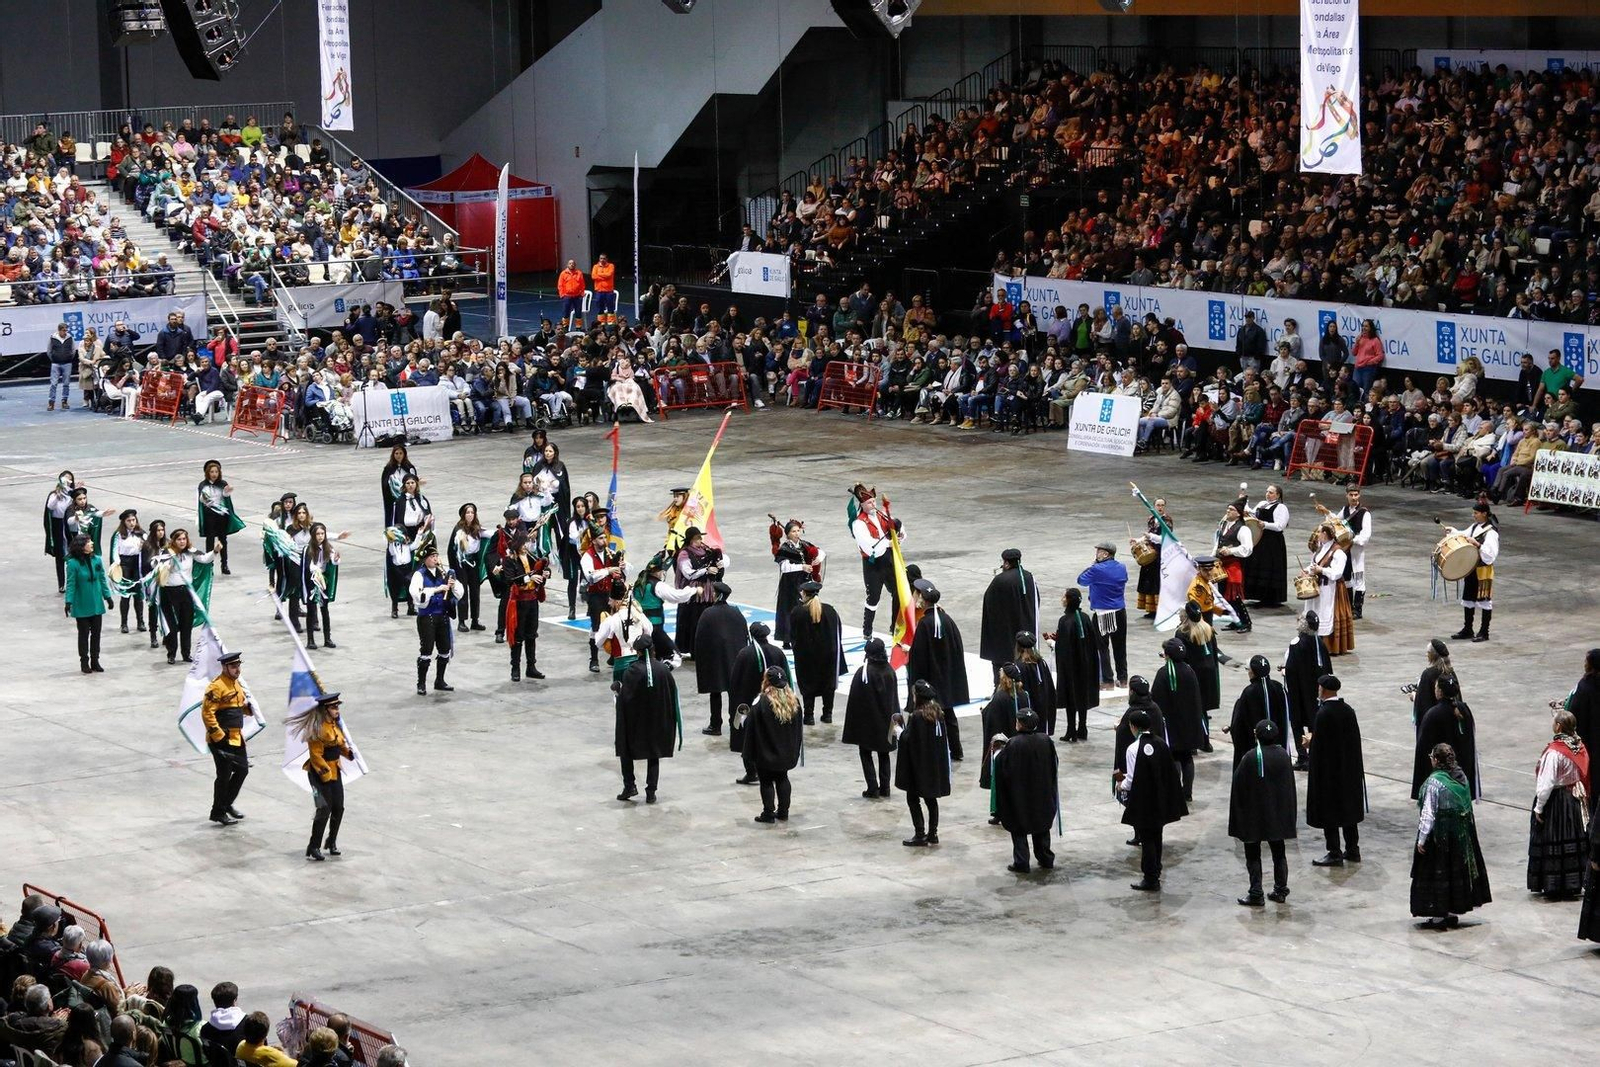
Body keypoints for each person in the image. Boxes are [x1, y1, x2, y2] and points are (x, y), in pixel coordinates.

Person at [1411, 742, 1491, 930]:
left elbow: (1428, 814)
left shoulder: (1434, 783)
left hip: (1440, 839)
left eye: (1432, 757)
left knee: (1439, 875)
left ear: (1437, 760)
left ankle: (1439, 916)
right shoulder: (1461, 778)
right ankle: (1453, 912)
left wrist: (1422, 839)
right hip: (1461, 838)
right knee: (1456, 874)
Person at [1116, 707, 1187, 891]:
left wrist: (1120, 785)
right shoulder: (1161, 743)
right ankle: (1157, 869)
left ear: (1133, 727)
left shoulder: (1133, 748)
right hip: (1160, 799)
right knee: (1157, 836)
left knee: (1147, 839)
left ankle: (1150, 877)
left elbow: (1130, 780)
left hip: (1143, 801)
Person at [1229, 720, 1298, 906]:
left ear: (1256, 736)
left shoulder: (1250, 757)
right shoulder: (1284, 756)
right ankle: (1281, 890)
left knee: (1253, 854)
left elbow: (1238, 786)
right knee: (1279, 852)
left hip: (1254, 815)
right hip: (1277, 814)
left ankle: (1256, 892)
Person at [904, 578, 968, 760]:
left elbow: (920, 655)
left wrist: (911, 652)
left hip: (932, 676)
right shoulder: (947, 620)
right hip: (947, 675)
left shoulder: (925, 624)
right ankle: (956, 750)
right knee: (948, 714)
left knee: (928, 715)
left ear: (922, 599)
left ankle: (922, 748)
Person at [1304, 674, 1365, 867]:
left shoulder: (1323, 714)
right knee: (1348, 812)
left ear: (1324, 689)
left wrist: (1309, 744)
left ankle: (1334, 852)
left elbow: (1320, 748)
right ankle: (1353, 849)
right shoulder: (1348, 710)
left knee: (1329, 812)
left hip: (1330, 774)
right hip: (1349, 771)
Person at [1529, 710, 1590, 899]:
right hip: (1573, 800)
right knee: (1574, 840)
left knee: (1555, 842)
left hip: (1557, 803)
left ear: (1558, 727)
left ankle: (1555, 884)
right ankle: (1574, 882)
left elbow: (1546, 783)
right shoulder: (1578, 746)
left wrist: (1539, 807)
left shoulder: (1555, 752)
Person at [994, 705, 1060, 873]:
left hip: (1020, 795)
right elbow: (1054, 765)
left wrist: (997, 752)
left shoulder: (1013, 744)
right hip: (1042, 793)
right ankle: (1046, 858)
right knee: (1042, 827)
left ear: (1020, 724)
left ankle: (1022, 862)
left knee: (1019, 828)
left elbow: (1003, 769)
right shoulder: (1046, 740)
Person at [287, 691, 352, 861]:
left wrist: (347, 753)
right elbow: (316, 755)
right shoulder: (317, 729)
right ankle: (313, 846)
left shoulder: (334, 725)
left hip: (334, 771)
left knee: (339, 807)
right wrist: (326, 775)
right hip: (319, 774)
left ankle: (331, 841)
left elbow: (338, 744)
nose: (337, 710)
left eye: (337, 706)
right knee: (324, 809)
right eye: (333, 707)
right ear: (325, 710)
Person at [615, 634, 679, 804]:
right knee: (654, 753)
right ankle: (651, 791)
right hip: (657, 721)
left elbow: (626, 698)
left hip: (636, 722)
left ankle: (629, 785)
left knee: (625, 749)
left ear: (637, 652)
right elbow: (672, 694)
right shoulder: (664, 670)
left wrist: (617, 690)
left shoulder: (632, 671)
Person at [896, 679, 952, 847]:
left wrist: (899, 731)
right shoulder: (938, 714)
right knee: (931, 800)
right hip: (934, 764)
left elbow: (908, 739)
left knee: (913, 798)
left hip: (919, 766)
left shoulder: (917, 716)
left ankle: (920, 833)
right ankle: (933, 833)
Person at [202, 650, 254, 826]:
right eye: (233, 666)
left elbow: (236, 706)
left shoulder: (236, 684)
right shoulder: (216, 686)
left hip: (236, 736)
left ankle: (226, 804)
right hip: (221, 738)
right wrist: (218, 735)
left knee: (242, 770)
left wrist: (248, 709)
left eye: (238, 665)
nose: (237, 669)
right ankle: (218, 812)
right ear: (225, 667)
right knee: (224, 775)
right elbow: (207, 713)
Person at [745, 666, 803, 823]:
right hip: (786, 753)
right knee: (783, 778)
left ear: (767, 681)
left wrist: (749, 752)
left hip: (766, 752)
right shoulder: (794, 701)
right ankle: (784, 812)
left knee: (766, 781)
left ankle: (768, 813)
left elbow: (751, 726)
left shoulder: (762, 701)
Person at [841, 638, 897, 798]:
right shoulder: (890, 671)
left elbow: (855, 700)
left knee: (865, 752)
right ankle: (885, 788)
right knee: (884, 753)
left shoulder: (864, 672)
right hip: (887, 722)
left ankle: (872, 786)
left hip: (868, 722)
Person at [1412, 671, 1480, 800]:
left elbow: (1422, 749)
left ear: (1440, 692)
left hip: (1441, 781)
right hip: (1460, 777)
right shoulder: (1464, 709)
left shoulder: (1432, 715)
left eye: (1436, 687)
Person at [848, 484, 903, 639]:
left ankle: (895, 626)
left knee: (898, 592)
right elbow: (869, 546)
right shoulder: (858, 524)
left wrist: (899, 534)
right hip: (873, 564)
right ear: (862, 505)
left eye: (874, 501)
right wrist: (888, 543)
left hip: (888, 560)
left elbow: (900, 530)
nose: (873, 505)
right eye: (869, 503)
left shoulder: (882, 515)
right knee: (873, 598)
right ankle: (867, 629)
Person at [1152, 638, 1205, 802]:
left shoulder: (1163, 673)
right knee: (1187, 757)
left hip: (1171, 724)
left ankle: (1174, 791)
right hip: (1189, 722)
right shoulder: (1190, 671)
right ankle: (1187, 792)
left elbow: (1156, 699)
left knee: (1173, 757)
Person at [408, 542, 463, 695]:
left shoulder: (444, 573)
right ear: (425, 559)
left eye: (436, 556)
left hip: (443, 616)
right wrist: (436, 589)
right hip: (428, 617)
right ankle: (421, 683)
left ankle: (440, 680)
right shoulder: (419, 574)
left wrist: (452, 586)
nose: (435, 559)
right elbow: (416, 595)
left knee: (445, 649)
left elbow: (460, 592)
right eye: (432, 556)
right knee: (426, 650)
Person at [694, 582, 749, 735]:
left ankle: (715, 725)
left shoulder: (707, 614)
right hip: (735, 659)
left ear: (715, 594)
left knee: (715, 693)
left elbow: (699, 639)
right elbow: (744, 635)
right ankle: (736, 724)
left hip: (715, 661)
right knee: (735, 694)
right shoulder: (736, 612)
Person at [788, 581, 846, 724]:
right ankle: (828, 714)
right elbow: (838, 633)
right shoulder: (831, 611)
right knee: (828, 685)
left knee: (808, 685)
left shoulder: (798, 612)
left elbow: (793, 637)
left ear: (804, 593)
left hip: (806, 657)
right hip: (828, 656)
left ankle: (809, 716)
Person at [156, 529, 216, 663]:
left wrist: (215, 551)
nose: (182, 541)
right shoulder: (167, 553)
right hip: (169, 593)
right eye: (179, 539)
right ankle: (171, 654)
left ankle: (186, 653)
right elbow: (156, 566)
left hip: (186, 592)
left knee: (186, 624)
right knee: (172, 627)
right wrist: (166, 567)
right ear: (173, 541)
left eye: (184, 539)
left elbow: (205, 559)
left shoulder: (191, 551)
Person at [498, 529, 549, 682]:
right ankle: (515, 668)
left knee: (531, 635)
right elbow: (510, 579)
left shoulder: (531, 558)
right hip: (519, 602)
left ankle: (531, 667)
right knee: (517, 636)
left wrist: (543, 574)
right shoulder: (509, 560)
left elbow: (538, 572)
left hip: (532, 600)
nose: (526, 545)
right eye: (524, 543)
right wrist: (529, 577)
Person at [979, 548, 1039, 679]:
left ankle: (1000, 687)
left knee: (1002, 662)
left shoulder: (1000, 580)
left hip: (1005, 632)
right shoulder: (1029, 577)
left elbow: (989, 603)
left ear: (1006, 563)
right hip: (1025, 628)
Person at [1226, 654, 1296, 767]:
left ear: (1252, 672)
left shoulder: (1248, 693)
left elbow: (1238, 724)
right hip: (1278, 747)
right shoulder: (1280, 689)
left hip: (1254, 751)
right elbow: (1288, 715)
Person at [1050, 587, 1099, 743]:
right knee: (1082, 695)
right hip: (1086, 665)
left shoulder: (1065, 621)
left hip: (1071, 667)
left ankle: (1071, 730)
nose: (1062, 599)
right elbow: (1092, 643)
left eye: (1064, 597)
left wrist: (1053, 643)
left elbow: (1063, 648)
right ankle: (1082, 728)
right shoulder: (1085, 618)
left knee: (1071, 697)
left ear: (1069, 600)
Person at [1077, 541, 1128, 690]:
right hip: (1119, 610)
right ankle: (1123, 679)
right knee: (1120, 646)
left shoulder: (1097, 569)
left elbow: (1081, 580)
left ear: (1106, 554)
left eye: (1099, 551)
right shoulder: (1122, 567)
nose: (1096, 553)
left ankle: (1107, 680)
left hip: (1102, 613)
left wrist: (1092, 565)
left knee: (1102, 647)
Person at [1281, 611, 1328, 769]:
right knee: (1314, 722)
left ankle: (1303, 756)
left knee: (1297, 724)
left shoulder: (1296, 643)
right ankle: (1317, 755)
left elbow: (1291, 670)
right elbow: (1327, 668)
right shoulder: (1320, 643)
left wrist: (1284, 671)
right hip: (1316, 693)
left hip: (1299, 692)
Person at [672, 526, 728, 658]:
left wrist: (719, 565)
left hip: (708, 594)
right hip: (694, 596)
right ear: (690, 540)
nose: (700, 540)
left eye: (700, 537)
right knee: (694, 622)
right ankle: (694, 650)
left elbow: (718, 561)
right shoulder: (684, 554)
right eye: (697, 538)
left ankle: (708, 647)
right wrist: (706, 570)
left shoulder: (706, 551)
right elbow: (688, 574)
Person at [769, 516, 822, 647]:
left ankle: (805, 634)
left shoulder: (804, 545)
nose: (796, 533)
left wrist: (816, 560)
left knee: (806, 607)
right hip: (790, 583)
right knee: (789, 610)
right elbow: (784, 567)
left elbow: (820, 552)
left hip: (804, 580)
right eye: (793, 531)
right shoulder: (785, 548)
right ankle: (788, 638)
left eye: (798, 531)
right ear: (787, 534)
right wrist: (802, 567)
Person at [1452, 501, 1500, 643]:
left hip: (1483, 570)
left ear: (1484, 513)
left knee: (1484, 600)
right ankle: (1468, 629)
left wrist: (1477, 544)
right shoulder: (1475, 527)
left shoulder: (1491, 533)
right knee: (1468, 599)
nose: (1474, 515)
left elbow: (1491, 555)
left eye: (1476, 513)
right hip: (1471, 568)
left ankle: (1484, 632)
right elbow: (1463, 534)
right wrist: (1452, 531)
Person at [978, 664, 1028, 800]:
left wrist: (984, 712)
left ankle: (1000, 812)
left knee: (1001, 781)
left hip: (1003, 746)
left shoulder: (1000, 697)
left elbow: (992, 719)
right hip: (1019, 743)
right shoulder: (1023, 695)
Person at [1303, 523, 1353, 655]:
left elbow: (1337, 573)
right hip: (1318, 587)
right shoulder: (1321, 548)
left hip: (1330, 589)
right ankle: (1312, 641)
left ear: (1325, 534)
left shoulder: (1338, 552)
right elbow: (1314, 564)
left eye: (1319, 532)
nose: (1316, 534)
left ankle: (1328, 646)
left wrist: (1322, 570)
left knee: (1326, 613)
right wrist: (1307, 570)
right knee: (1315, 611)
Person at [64, 535, 111, 674]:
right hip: (82, 604)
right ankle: (84, 661)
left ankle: (95, 660)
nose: (91, 543)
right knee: (83, 634)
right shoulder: (73, 563)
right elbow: (71, 583)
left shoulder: (97, 559)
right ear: (81, 546)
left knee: (96, 634)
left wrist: (107, 596)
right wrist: (68, 601)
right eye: (88, 542)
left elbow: (102, 579)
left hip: (96, 604)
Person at [1212, 500, 1255, 632]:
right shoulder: (1224, 524)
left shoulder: (1243, 528)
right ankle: (1235, 621)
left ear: (1238, 514)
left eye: (1231, 509)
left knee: (1234, 596)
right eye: (1228, 508)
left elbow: (1248, 548)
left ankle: (1246, 623)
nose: (1228, 511)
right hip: (1221, 564)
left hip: (1233, 566)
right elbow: (1217, 543)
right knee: (1225, 595)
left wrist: (1231, 551)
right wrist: (1212, 557)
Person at [1243, 484, 1289, 607]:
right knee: (1257, 565)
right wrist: (1244, 503)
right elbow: (1253, 514)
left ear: (1278, 495)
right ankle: (1258, 594)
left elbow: (1280, 525)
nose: (1268, 494)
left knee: (1269, 566)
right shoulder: (1262, 503)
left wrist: (1265, 524)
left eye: (1271, 492)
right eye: (1267, 491)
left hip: (1272, 542)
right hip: (1260, 540)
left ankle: (1269, 597)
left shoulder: (1281, 507)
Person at [195, 460, 243, 573]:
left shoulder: (222, 483)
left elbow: (226, 497)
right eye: (212, 472)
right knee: (210, 540)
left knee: (223, 540)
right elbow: (202, 499)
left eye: (216, 471)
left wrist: (227, 492)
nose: (214, 474)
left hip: (222, 516)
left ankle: (224, 564)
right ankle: (209, 565)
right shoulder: (203, 485)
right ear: (207, 472)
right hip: (209, 516)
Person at [449, 503, 490, 634]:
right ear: (463, 514)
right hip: (461, 563)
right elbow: (455, 548)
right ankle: (462, 621)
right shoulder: (459, 529)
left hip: (473, 563)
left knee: (475, 591)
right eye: (468, 512)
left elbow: (490, 535)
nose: (470, 515)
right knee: (463, 592)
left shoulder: (477, 528)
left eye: (472, 512)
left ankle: (475, 620)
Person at [299, 523, 340, 650]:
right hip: (312, 581)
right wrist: (316, 571)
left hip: (323, 581)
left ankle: (327, 638)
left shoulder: (329, 547)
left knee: (324, 609)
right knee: (311, 610)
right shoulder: (308, 549)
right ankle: (310, 640)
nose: (320, 536)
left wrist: (336, 559)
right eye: (318, 534)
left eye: (322, 534)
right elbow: (308, 566)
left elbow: (333, 561)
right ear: (313, 535)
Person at [1334, 485, 1372, 619]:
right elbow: (1336, 522)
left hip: (1356, 551)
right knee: (1346, 578)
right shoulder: (1344, 509)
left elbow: (1366, 536)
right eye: (1351, 495)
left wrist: (1350, 538)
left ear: (1359, 495)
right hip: (1345, 551)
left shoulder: (1364, 513)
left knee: (1359, 579)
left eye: (1356, 494)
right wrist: (1326, 512)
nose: (1354, 497)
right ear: (1347, 495)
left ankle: (1358, 610)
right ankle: (1348, 607)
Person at [44, 470, 76, 593]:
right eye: (65, 478)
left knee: (72, 553)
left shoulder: (72, 494)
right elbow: (50, 507)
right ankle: (61, 584)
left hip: (69, 525)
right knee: (60, 555)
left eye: (70, 478)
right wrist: (58, 493)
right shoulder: (54, 494)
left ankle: (72, 582)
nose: (68, 480)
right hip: (57, 525)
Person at [1411, 638, 1453, 729]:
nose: (1426, 655)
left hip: (1433, 721)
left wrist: (1414, 696)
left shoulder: (1428, 674)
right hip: (1449, 719)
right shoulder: (1451, 672)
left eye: (1428, 653)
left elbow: (1423, 701)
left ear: (1432, 655)